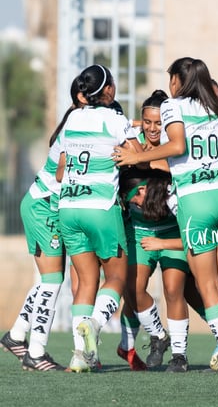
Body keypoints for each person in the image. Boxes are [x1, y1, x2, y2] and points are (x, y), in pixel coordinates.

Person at [113, 57, 218, 372]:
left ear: (176, 80)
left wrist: (137, 156)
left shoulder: (173, 105)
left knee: (206, 283)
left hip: (196, 201)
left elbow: (177, 146)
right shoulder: (216, 109)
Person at [0, 76, 86, 371]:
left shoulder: (82, 119)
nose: (110, 93)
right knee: (51, 281)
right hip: (43, 207)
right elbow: (62, 174)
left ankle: (16, 336)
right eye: (106, 87)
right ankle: (35, 353)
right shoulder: (78, 121)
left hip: (47, 206)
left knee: (50, 280)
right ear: (83, 97)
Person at [57, 64, 133, 372]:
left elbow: (61, 170)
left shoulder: (72, 117)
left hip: (68, 207)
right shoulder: (115, 118)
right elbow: (135, 152)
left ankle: (80, 356)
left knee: (85, 281)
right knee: (116, 277)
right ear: (109, 90)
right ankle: (96, 324)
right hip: (100, 206)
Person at [118, 166, 191, 373]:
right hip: (139, 235)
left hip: (173, 235)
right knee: (132, 288)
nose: (136, 206)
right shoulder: (128, 184)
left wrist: (162, 243)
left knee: (173, 289)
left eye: (135, 201)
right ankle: (159, 336)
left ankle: (179, 357)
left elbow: (191, 235)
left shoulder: (171, 193)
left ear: (143, 189)